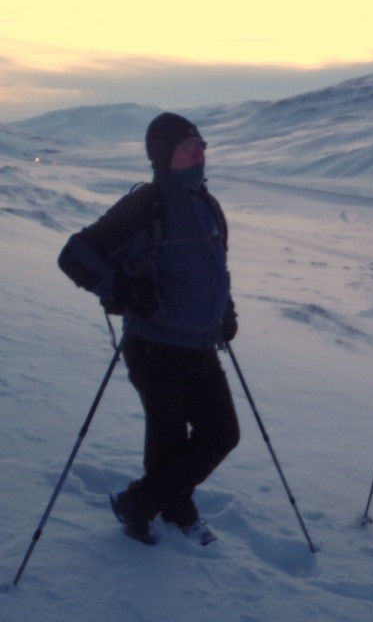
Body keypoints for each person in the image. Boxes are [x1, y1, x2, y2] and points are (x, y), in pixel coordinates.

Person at [58, 112, 240, 545]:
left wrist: (225, 310)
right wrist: (122, 290)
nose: (200, 152)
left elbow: (215, 267)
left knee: (221, 434)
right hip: (155, 348)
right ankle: (163, 508)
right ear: (164, 155)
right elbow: (74, 255)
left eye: (201, 144)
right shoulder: (145, 206)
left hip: (201, 346)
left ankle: (146, 502)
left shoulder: (206, 203)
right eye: (188, 146)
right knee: (168, 439)